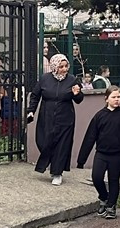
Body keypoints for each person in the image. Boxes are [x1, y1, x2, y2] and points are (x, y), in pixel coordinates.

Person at [76, 87, 120, 220]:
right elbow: (90, 137)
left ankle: (111, 206)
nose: (117, 100)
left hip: (118, 154)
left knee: (113, 179)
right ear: (106, 99)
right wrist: (81, 160)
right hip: (102, 153)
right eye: (113, 97)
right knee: (97, 177)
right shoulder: (99, 116)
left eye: (118, 97)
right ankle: (104, 197)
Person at [26, 54, 84, 185]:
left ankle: (57, 172)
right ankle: (51, 163)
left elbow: (79, 100)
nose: (64, 69)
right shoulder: (45, 79)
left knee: (62, 145)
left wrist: (77, 94)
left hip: (65, 118)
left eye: (66, 66)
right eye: (61, 66)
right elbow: (35, 96)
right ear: (54, 67)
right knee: (43, 141)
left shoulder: (72, 80)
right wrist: (31, 111)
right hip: (46, 116)